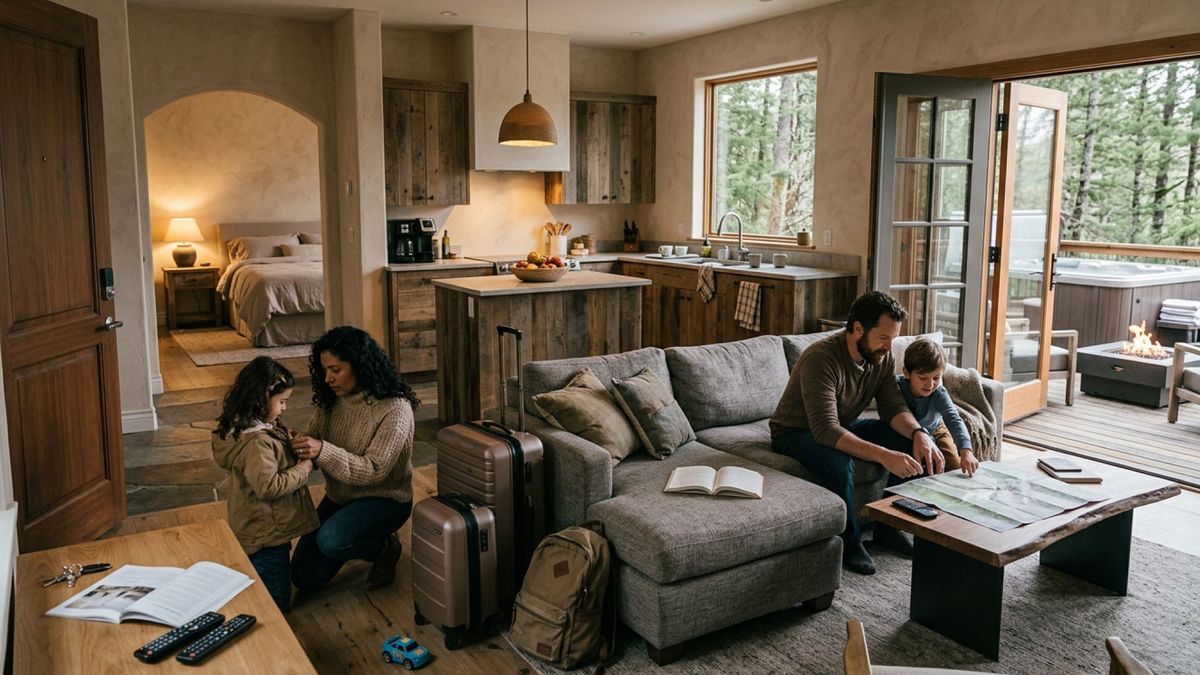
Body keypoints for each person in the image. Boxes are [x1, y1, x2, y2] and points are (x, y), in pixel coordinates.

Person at [770, 291, 944, 576]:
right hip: (795, 432)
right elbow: (825, 430)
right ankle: (850, 543)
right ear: (858, 329)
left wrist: (918, 433)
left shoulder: (881, 358)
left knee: (918, 444)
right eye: (884, 338)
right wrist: (886, 456)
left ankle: (889, 528)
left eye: (893, 338)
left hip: (842, 424)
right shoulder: (820, 358)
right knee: (839, 462)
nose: (889, 346)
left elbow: (892, 406)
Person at [290, 326, 420, 592]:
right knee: (304, 578)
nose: (327, 378)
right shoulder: (332, 400)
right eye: (324, 370)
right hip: (341, 496)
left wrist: (321, 450)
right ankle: (354, 536)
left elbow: (374, 471)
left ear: (359, 365)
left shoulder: (395, 408)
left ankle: (385, 547)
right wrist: (294, 442)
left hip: (385, 499)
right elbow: (315, 441)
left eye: (335, 370)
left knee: (332, 540)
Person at [212, 356, 318, 611]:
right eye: (281, 402)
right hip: (266, 532)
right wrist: (303, 469)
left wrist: (288, 439)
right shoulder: (258, 443)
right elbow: (268, 486)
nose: (284, 408)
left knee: (261, 575)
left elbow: (270, 447)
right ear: (261, 399)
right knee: (277, 600)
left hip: (255, 527)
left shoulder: (245, 428)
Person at [899, 338, 980, 478]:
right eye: (923, 378)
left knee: (954, 466)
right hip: (906, 432)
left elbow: (954, 420)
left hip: (936, 429)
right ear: (906, 373)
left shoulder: (939, 393)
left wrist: (966, 451)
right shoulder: (896, 387)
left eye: (936, 377)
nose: (930, 384)